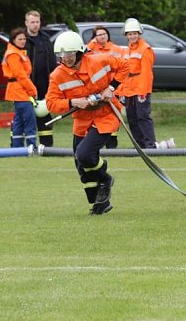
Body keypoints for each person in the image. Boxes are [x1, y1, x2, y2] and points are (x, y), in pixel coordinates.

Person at [45, 31, 129, 215]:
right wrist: (74, 102)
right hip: (82, 120)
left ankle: (105, 178)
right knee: (80, 164)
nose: (65, 59)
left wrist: (111, 87)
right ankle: (99, 204)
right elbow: (51, 103)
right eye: (62, 56)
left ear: (79, 52)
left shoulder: (99, 60)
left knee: (84, 154)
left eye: (69, 55)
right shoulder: (57, 76)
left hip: (106, 115)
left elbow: (125, 65)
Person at [115, 19, 157, 149]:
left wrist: (143, 92)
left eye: (134, 33)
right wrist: (120, 91)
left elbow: (146, 73)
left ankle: (150, 145)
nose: (132, 36)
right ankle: (139, 145)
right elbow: (124, 73)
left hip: (140, 89)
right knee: (132, 118)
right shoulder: (126, 51)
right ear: (126, 35)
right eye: (130, 34)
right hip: (129, 89)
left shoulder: (145, 49)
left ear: (139, 33)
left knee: (143, 117)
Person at [87, 25, 125, 148]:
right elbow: (84, 55)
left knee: (112, 117)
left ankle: (112, 145)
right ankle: (96, 143)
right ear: (94, 38)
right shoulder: (92, 49)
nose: (102, 36)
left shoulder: (117, 49)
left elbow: (123, 68)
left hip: (114, 88)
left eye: (104, 34)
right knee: (96, 117)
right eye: (99, 35)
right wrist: (92, 43)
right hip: (98, 90)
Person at [24, 10, 57, 146]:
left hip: (45, 82)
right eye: (32, 22)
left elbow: (52, 60)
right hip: (28, 83)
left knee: (45, 113)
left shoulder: (45, 39)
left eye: (37, 22)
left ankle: (47, 145)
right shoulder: (23, 40)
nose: (35, 25)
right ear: (26, 23)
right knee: (27, 115)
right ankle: (25, 145)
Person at [2, 28, 38, 148]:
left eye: (24, 39)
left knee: (19, 121)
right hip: (19, 90)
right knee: (29, 120)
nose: (23, 41)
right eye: (20, 39)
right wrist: (32, 90)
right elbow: (20, 75)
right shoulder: (13, 54)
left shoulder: (17, 52)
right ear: (13, 40)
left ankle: (17, 148)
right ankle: (32, 146)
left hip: (18, 89)